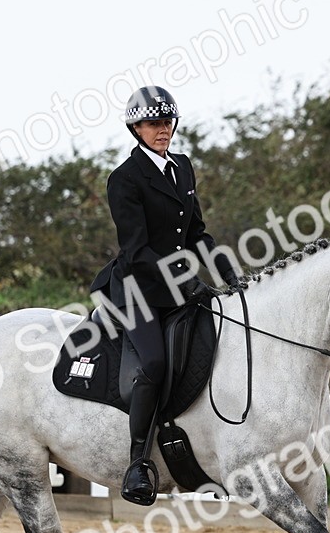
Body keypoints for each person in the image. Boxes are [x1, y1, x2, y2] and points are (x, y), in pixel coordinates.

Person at [89, 86, 241, 506]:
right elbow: (137, 251)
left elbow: (195, 233)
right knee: (155, 362)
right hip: (137, 289)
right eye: (154, 123)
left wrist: (229, 272)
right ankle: (138, 463)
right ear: (136, 128)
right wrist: (186, 278)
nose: (163, 130)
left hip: (176, 284)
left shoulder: (183, 168)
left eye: (167, 122)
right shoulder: (124, 178)